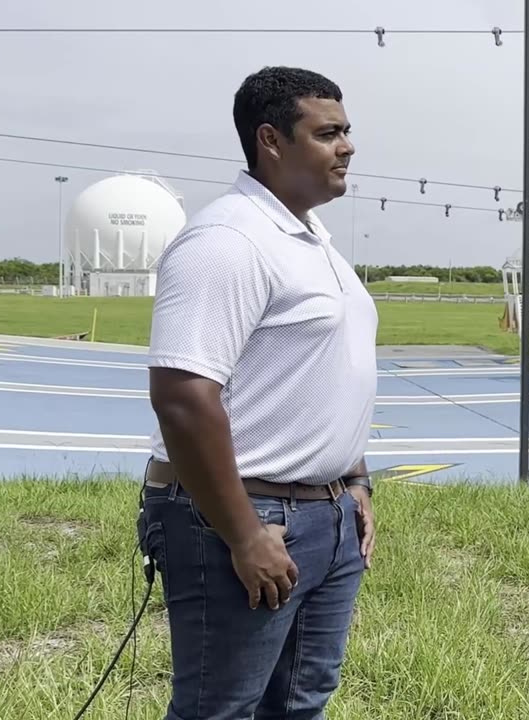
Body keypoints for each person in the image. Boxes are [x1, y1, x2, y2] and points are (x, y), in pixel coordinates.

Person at [136, 65, 378, 719]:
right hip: (246, 519)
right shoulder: (228, 240)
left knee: (301, 702)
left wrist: (353, 481)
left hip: (323, 520)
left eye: (347, 131)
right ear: (271, 140)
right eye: (329, 133)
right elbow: (184, 395)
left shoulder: (311, 240)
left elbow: (322, 372)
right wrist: (243, 535)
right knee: (222, 709)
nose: (348, 146)